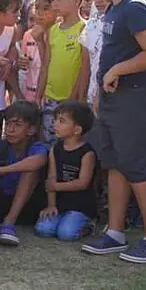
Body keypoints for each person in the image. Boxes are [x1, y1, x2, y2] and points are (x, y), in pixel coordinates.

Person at [81, 0, 146, 263]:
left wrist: (117, 71)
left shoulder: (134, 7)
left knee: (135, 165)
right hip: (113, 99)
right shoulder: (115, 8)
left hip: (135, 98)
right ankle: (115, 232)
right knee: (114, 162)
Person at [0, 101, 49, 246]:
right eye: (8, 124)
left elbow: (37, 162)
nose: (10, 129)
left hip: (29, 207)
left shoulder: (37, 147)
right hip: (2, 201)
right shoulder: (2, 145)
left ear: (31, 130)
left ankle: (8, 224)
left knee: (30, 172)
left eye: (17, 125)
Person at [35, 100, 98, 241]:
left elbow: (83, 183)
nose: (55, 123)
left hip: (80, 206)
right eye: (56, 119)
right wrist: (51, 205)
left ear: (77, 129)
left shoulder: (87, 153)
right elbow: (51, 177)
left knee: (66, 234)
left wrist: (56, 186)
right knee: (43, 229)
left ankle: (88, 224)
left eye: (61, 121)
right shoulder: (55, 149)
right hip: (60, 203)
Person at [39, 0, 87, 141]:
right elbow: (45, 65)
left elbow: (83, 69)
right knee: (49, 144)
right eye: (52, 0)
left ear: (77, 0)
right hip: (51, 100)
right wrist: (39, 96)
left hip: (71, 102)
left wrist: (75, 99)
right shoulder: (52, 31)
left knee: (69, 146)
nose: (55, 4)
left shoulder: (84, 29)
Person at [18, 0, 52, 103]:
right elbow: (23, 68)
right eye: (37, 8)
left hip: (47, 95)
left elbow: (47, 65)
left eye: (46, 8)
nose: (40, 13)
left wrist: (40, 41)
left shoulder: (54, 33)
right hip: (29, 93)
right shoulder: (28, 35)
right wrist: (20, 62)